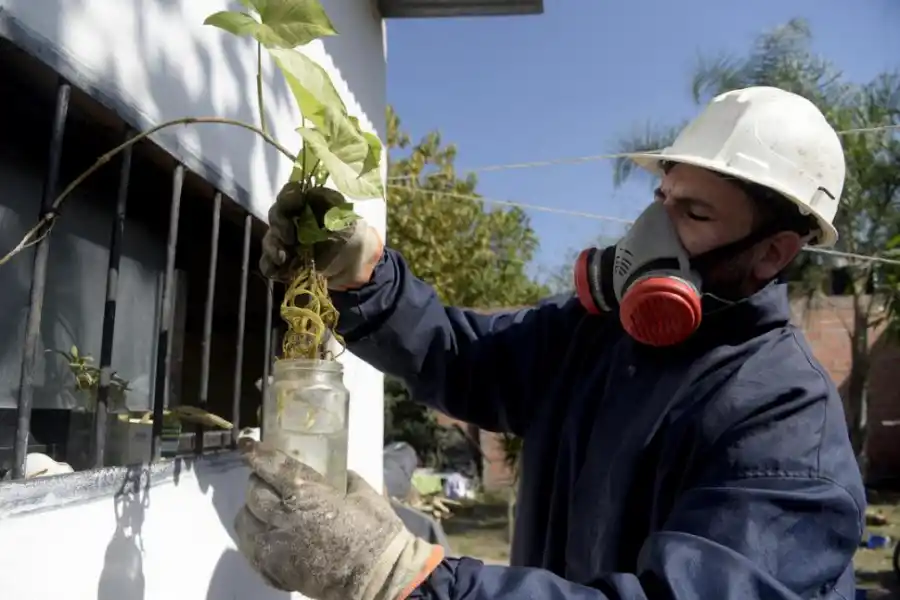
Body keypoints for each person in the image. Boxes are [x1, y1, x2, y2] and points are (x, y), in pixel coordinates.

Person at [234, 86, 865, 600]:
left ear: (772, 253)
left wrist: (406, 579)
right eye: (662, 200)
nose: (652, 232)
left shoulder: (786, 421)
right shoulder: (594, 335)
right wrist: (367, 279)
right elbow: (467, 359)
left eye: (694, 215)